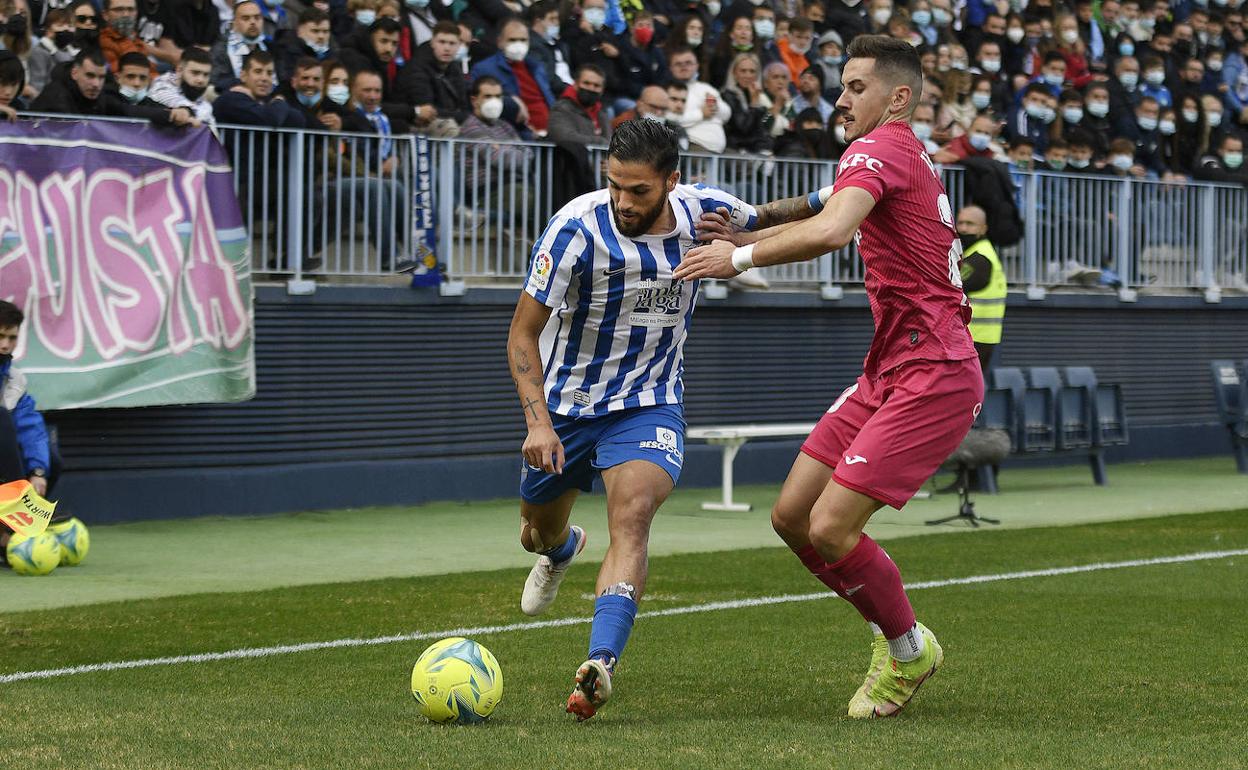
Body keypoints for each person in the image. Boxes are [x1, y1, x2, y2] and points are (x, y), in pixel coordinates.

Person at [675, 35, 982, 719]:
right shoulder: (897, 149)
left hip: (935, 370)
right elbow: (824, 197)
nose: (840, 100)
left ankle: (906, 651)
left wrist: (740, 256)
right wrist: (757, 215)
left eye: (855, 87)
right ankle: (892, 630)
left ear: (897, 97)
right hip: (890, 367)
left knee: (833, 529)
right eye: (841, 86)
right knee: (791, 518)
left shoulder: (881, 146)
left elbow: (835, 228)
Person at [507, 118, 758, 722]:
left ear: (673, 180)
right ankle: (562, 548)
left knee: (635, 517)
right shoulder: (574, 228)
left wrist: (849, 192)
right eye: (615, 185)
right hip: (566, 410)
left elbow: (788, 220)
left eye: (639, 190)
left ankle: (600, 664)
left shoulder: (708, 214)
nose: (623, 200)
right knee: (535, 531)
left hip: (649, 403)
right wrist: (538, 424)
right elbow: (522, 333)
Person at [955, 205, 1005, 372]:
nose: (963, 228)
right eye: (960, 223)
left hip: (973, 340)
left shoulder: (979, 259)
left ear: (983, 228)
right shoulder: (978, 253)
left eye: (970, 224)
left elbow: (951, 286)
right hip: (977, 339)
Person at [148, 44, 216, 126]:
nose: (201, 80)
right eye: (195, 73)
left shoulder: (202, 102)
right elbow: (177, 103)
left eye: (206, 75)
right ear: (179, 70)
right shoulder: (161, 86)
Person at [211, 0, 270, 92]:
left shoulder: (270, 47)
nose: (253, 22)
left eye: (257, 17)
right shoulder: (221, 49)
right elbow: (217, 83)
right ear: (234, 23)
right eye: (246, 18)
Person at [546, 62, 608, 146]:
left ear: (602, 90)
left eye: (596, 85)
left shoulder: (601, 112)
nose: (591, 88)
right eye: (586, 83)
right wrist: (600, 142)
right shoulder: (561, 108)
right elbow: (563, 137)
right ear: (575, 84)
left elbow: (610, 141)